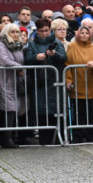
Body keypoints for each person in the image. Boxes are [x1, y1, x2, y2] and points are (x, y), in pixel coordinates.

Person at [24, 17, 67, 145]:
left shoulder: (57, 43)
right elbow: (27, 60)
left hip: (54, 81)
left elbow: (64, 58)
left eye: (46, 30)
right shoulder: (32, 44)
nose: (44, 33)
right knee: (41, 111)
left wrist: (54, 54)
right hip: (39, 81)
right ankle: (44, 140)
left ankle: (55, 139)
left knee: (54, 110)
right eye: (41, 31)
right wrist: (36, 57)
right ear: (37, 31)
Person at [65, 23, 93, 143]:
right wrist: (68, 80)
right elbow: (67, 64)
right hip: (77, 85)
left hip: (91, 85)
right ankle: (78, 136)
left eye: (87, 33)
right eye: (82, 33)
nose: (84, 35)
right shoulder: (72, 46)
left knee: (92, 113)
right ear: (77, 34)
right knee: (79, 113)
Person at [0, 23, 27, 148]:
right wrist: (19, 67)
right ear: (6, 33)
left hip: (16, 81)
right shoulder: (1, 45)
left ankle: (10, 137)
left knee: (13, 108)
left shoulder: (18, 46)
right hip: (5, 80)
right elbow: (4, 61)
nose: (15, 34)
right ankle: (6, 138)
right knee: (9, 108)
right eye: (12, 32)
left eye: (17, 32)